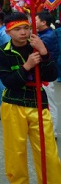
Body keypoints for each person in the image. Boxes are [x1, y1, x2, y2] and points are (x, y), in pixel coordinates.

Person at [0, 12, 61, 183]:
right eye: (17, 29)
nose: (23, 32)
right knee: (15, 152)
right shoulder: (3, 52)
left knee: (48, 152)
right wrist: (27, 66)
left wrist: (44, 52)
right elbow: (9, 82)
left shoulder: (37, 47)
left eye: (26, 28)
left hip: (38, 103)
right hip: (13, 104)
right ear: (8, 32)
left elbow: (51, 75)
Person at [35, 11, 60, 139]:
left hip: (46, 75)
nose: (34, 21)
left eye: (36, 19)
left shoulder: (47, 37)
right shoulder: (44, 34)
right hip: (43, 74)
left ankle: (52, 131)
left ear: (44, 22)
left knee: (49, 104)